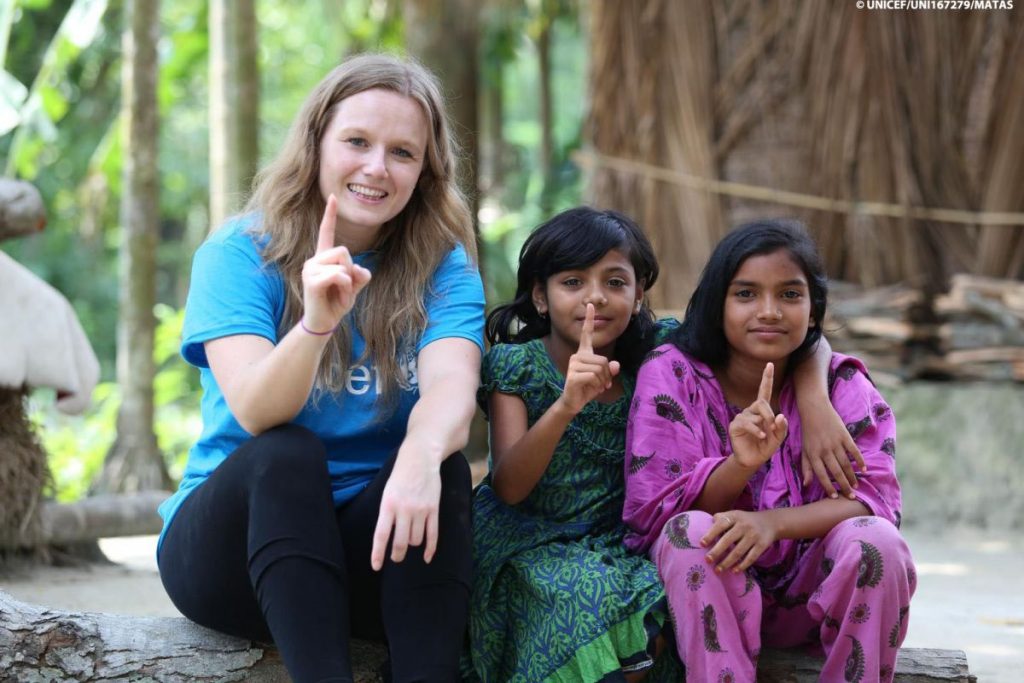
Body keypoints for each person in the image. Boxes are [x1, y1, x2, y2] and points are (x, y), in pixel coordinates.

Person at [156, 53, 484, 683]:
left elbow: (452, 385)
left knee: (439, 462)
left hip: (368, 552)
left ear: (426, 170)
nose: (376, 168)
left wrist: (419, 457)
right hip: (233, 557)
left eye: (402, 152)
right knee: (287, 452)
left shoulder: (443, 267)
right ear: (316, 142)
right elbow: (256, 409)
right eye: (357, 141)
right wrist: (316, 323)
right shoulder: (239, 252)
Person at [463, 209, 854, 683]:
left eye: (614, 282)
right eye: (572, 283)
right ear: (541, 297)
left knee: (664, 598)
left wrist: (814, 399)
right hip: (529, 537)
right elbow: (508, 487)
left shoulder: (658, 353)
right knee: (584, 595)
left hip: (619, 543)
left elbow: (798, 338)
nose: (595, 298)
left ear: (639, 293)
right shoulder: (517, 366)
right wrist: (566, 406)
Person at [623, 220, 915, 682]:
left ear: (814, 312)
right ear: (717, 304)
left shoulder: (842, 388)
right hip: (710, 590)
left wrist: (772, 523)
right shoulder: (674, 375)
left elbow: (874, 501)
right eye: (745, 294)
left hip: (814, 587)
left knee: (879, 543)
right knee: (689, 531)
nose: (769, 311)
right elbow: (655, 513)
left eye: (790, 295)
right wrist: (741, 465)